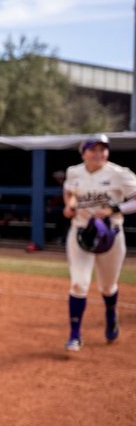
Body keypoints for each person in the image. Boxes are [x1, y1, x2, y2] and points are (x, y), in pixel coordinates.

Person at [60, 133, 136, 351]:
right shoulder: (74, 172)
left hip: (110, 235)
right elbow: (70, 191)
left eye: (103, 149)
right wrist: (70, 205)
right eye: (93, 149)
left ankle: (111, 314)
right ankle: (75, 335)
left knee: (107, 286)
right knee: (78, 283)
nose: (99, 153)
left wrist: (113, 209)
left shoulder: (120, 174)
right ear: (83, 153)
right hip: (81, 231)